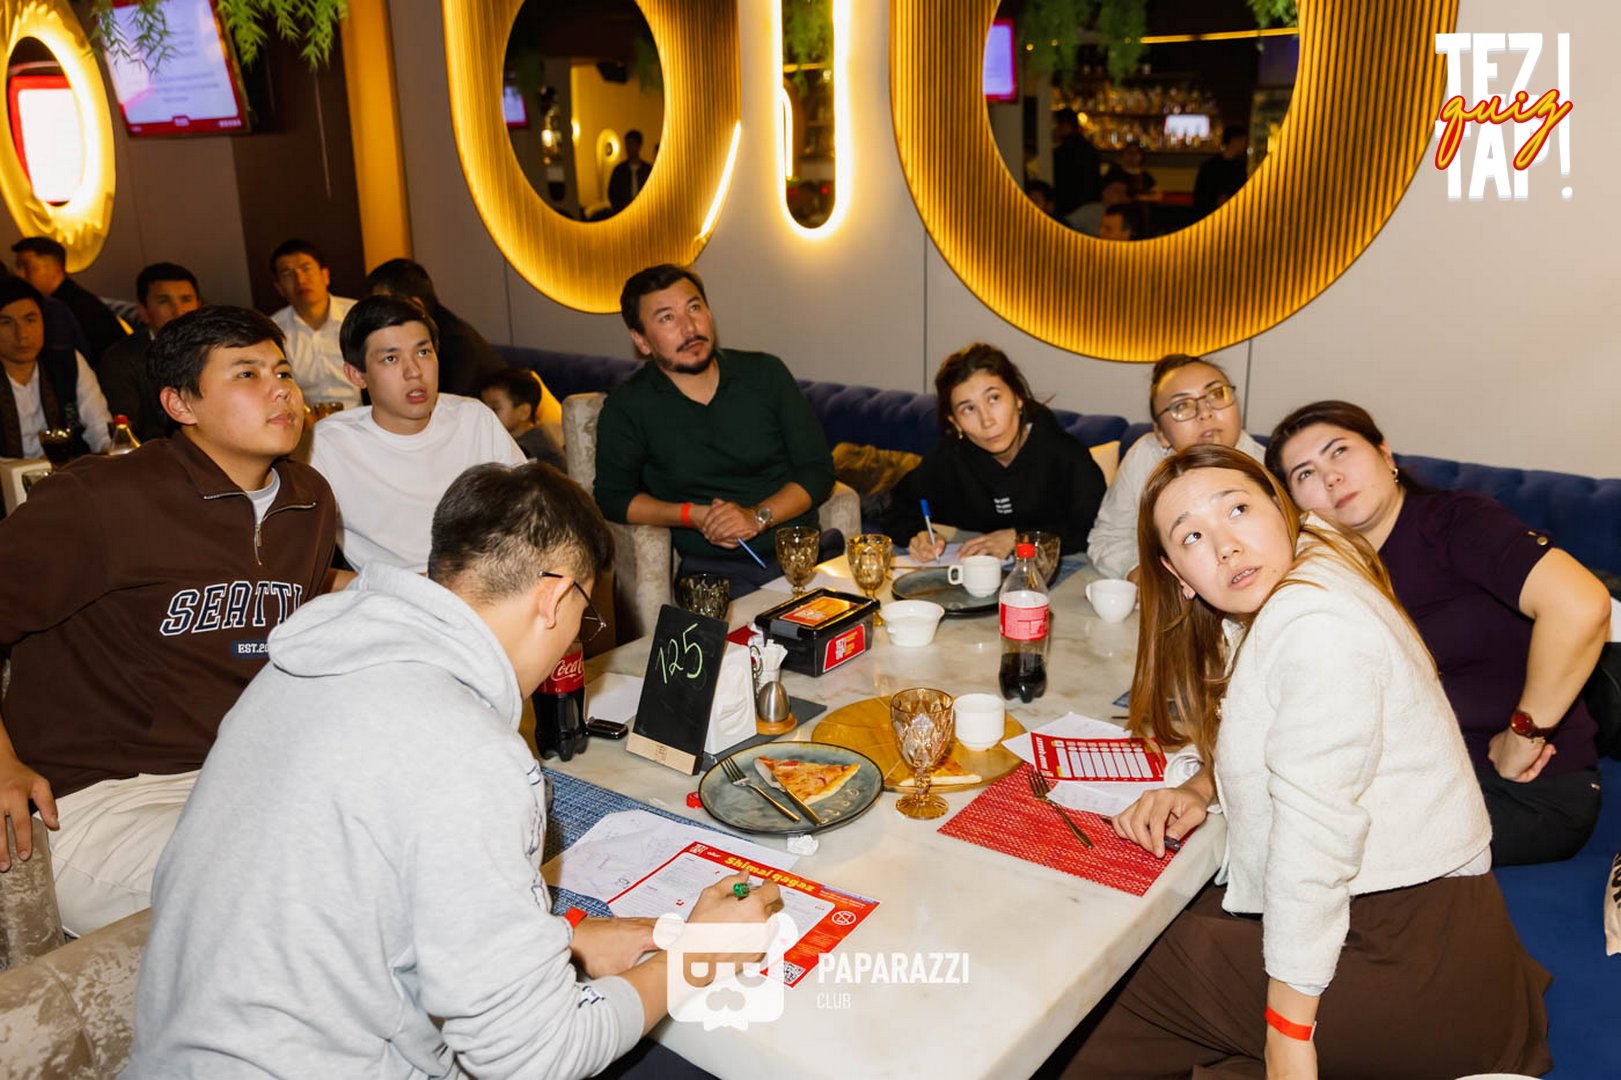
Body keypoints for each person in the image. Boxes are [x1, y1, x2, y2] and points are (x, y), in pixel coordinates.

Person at [126, 461, 780, 1076]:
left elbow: (368, 895)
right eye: (583, 620)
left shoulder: (302, 664)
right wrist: (699, 955)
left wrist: (563, 944)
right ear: (554, 599)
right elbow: (536, 1058)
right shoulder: (467, 752)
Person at [1069, 444, 1551, 1079]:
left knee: (1101, 971)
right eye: (1192, 537)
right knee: (1148, 931)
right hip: (1447, 944)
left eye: (1237, 509)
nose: (1226, 547)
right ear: (1175, 572)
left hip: (1400, 963)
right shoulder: (1316, 563)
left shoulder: (1314, 625)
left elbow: (1314, 843)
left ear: (1281, 507)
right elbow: (1289, 734)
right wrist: (1202, 787)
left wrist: (1289, 1036)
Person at [0, 305, 336, 933]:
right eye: (247, 374)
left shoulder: (308, 501)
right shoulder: (101, 499)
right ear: (181, 404)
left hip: (244, 774)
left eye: (283, 372)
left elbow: (294, 596)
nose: (281, 390)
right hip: (104, 797)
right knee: (292, 884)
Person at [1268, 400, 1609, 864]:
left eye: (1340, 451)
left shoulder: (1455, 522)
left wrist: (1524, 734)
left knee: (1316, 850)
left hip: (1524, 787)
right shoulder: (1331, 571)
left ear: (1384, 454)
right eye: (1305, 473)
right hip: (1419, 778)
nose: (1330, 477)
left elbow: (1581, 605)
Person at [594, 264, 836, 594]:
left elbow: (818, 470)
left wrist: (757, 517)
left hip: (800, 555)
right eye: (667, 318)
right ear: (641, 340)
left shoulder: (765, 373)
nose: (689, 327)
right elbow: (612, 498)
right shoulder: (628, 406)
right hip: (714, 574)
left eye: (694, 308)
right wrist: (691, 515)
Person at [309, 295, 524, 574]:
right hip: (390, 595)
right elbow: (294, 566)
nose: (414, 372)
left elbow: (526, 511)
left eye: (423, 353)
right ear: (356, 375)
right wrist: (390, 587)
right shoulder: (328, 445)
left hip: (488, 579)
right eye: (391, 358)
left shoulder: (473, 418)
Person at [882, 343, 1106, 562]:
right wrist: (918, 535)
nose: (987, 420)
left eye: (994, 398)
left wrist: (1019, 538)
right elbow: (896, 507)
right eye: (968, 409)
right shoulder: (949, 458)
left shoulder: (1066, 455)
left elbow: (1096, 529)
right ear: (955, 421)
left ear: (1018, 398)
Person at [1086, 353, 1265, 580]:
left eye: (1217, 394)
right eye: (1182, 405)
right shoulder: (1146, 456)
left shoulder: (1270, 468)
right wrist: (1139, 573)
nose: (1205, 413)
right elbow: (1109, 537)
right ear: (1160, 433)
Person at [363, 257, 519, 400]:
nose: (377, 315)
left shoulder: (456, 345)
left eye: (385, 307)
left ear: (416, 305)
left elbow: (447, 410)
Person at [0, 277, 112, 458]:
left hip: (68, 471)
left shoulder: (67, 362)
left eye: (30, 319)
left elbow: (100, 430)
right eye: (6, 323)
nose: (22, 334)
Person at [98, 262, 202, 442]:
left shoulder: (216, 350)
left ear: (199, 306)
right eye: (164, 301)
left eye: (186, 299)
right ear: (143, 311)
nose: (178, 311)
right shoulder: (121, 359)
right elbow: (127, 432)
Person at [269, 238, 359, 410]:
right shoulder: (273, 330)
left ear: (325, 276)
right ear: (279, 288)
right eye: (288, 274)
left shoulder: (358, 315)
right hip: (307, 422)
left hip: (363, 415)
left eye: (306, 269)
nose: (300, 279)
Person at [11, 236, 128, 366]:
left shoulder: (68, 307)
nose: (20, 275)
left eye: (27, 268)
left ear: (56, 270)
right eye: (18, 268)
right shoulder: (68, 299)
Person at [480, 366, 563, 468]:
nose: (488, 414)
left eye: (495, 408)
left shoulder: (529, 448)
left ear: (524, 412)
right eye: (484, 408)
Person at [1051, 108, 1101, 219]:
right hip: (1087, 205)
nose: (1056, 129)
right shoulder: (1088, 148)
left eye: (1058, 125)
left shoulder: (1064, 150)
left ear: (1065, 125)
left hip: (1068, 205)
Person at [1194, 124, 1250, 219]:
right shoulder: (1210, 167)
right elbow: (1200, 197)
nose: (1245, 145)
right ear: (1234, 141)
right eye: (1243, 141)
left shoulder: (1241, 167)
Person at [1065, 176, 1131, 237]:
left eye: (1124, 192)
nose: (1121, 195)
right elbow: (1067, 225)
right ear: (1105, 192)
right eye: (1117, 191)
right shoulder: (1089, 210)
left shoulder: (1129, 214)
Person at [607, 129, 651, 213]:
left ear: (638, 146)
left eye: (631, 144)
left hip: (645, 211)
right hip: (624, 212)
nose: (628, 148)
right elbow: (612, 194)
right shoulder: (619, 171)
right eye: (627, 144)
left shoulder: (647, 170)